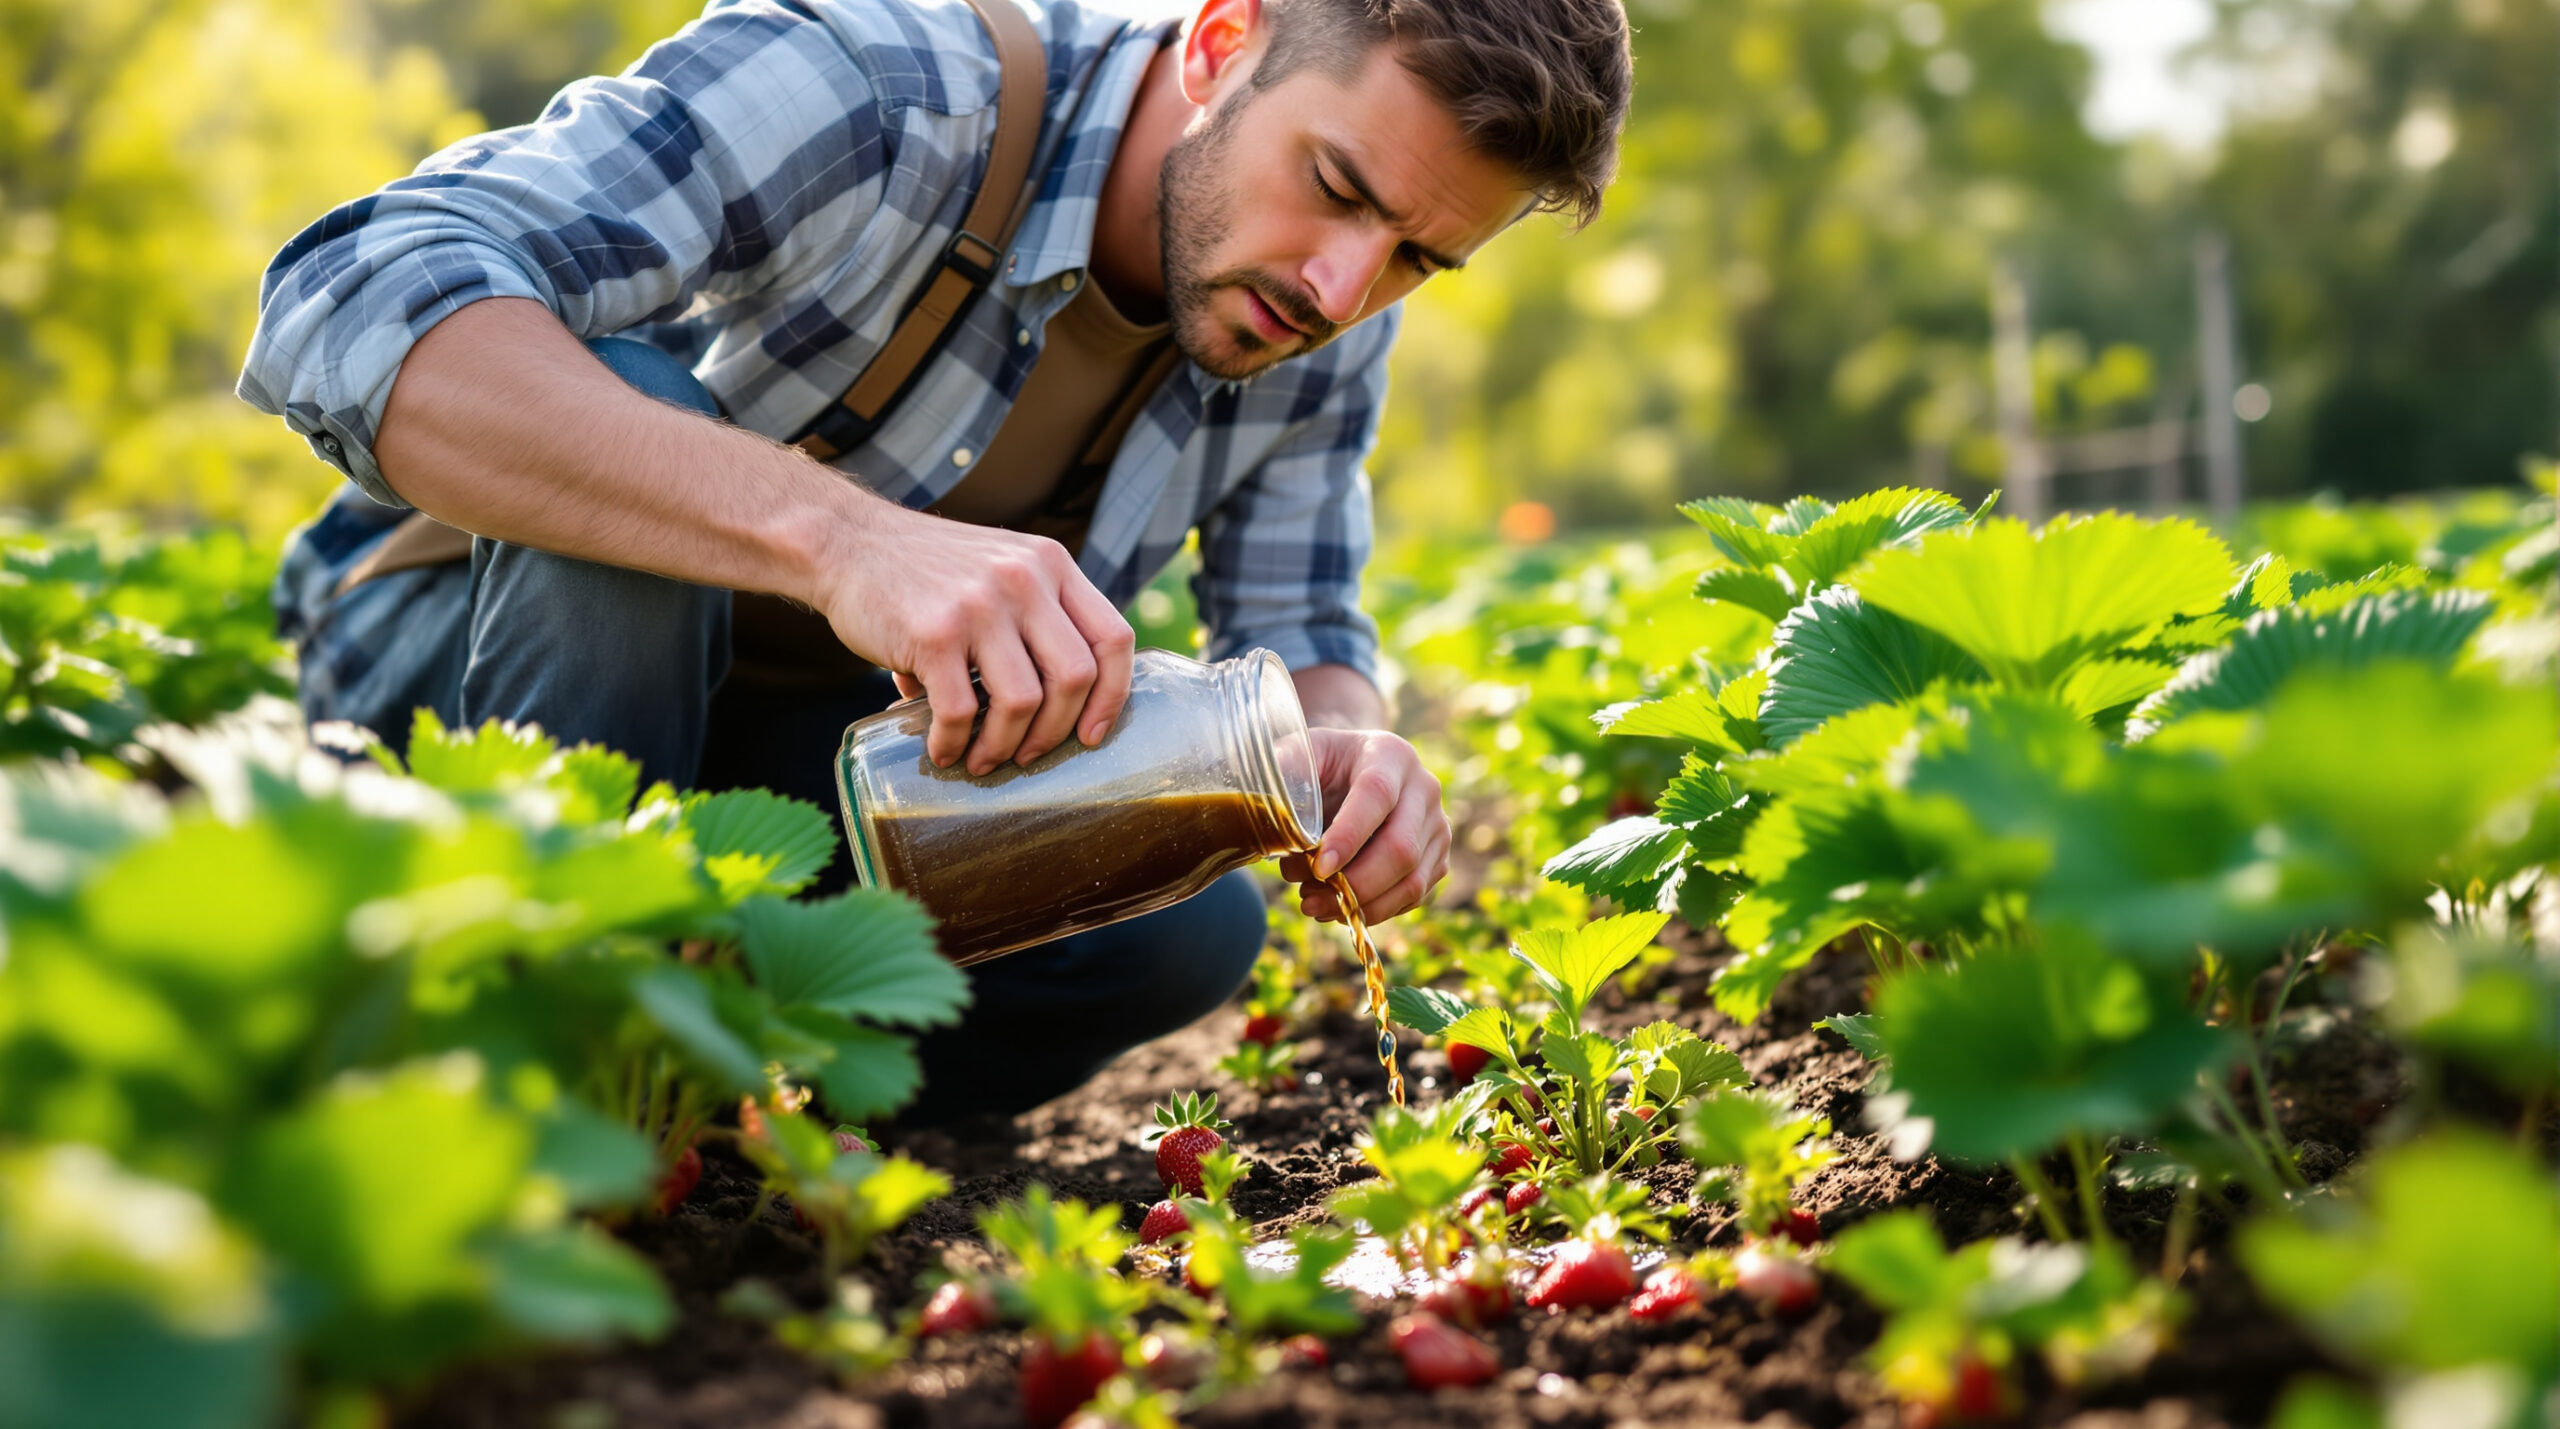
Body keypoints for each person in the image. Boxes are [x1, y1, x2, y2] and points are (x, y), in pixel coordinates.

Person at [239, 0, 1632, 1123]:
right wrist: (842, 538)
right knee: (642, 412)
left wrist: (1343, 748)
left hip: (793, 776)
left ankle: (718, 1110)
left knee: (1186, 931)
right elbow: (349, 285)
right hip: (462, 687)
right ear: (1222, 42)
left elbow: (1301, 612)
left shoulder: (1321, 318)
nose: (1341, 287)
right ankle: (499, 1062)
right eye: (1334, 186)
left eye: (1415, 260)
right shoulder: (883, 84)